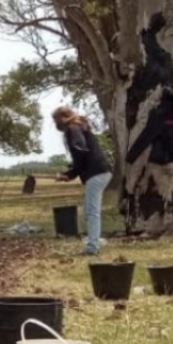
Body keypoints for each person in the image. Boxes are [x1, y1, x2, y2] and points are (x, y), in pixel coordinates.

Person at [53, 105, 113, 255]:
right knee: (89, 209)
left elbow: (81, 152)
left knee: (92, 211)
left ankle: (92, 246)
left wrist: (70, 173)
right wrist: (70, 173)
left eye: (55, 120)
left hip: (96, 172)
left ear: (61, 118)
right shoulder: (80, 126)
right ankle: (95, 239)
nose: (55, 124)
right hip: (100, 171)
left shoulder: (73, 129)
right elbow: (82, 155)